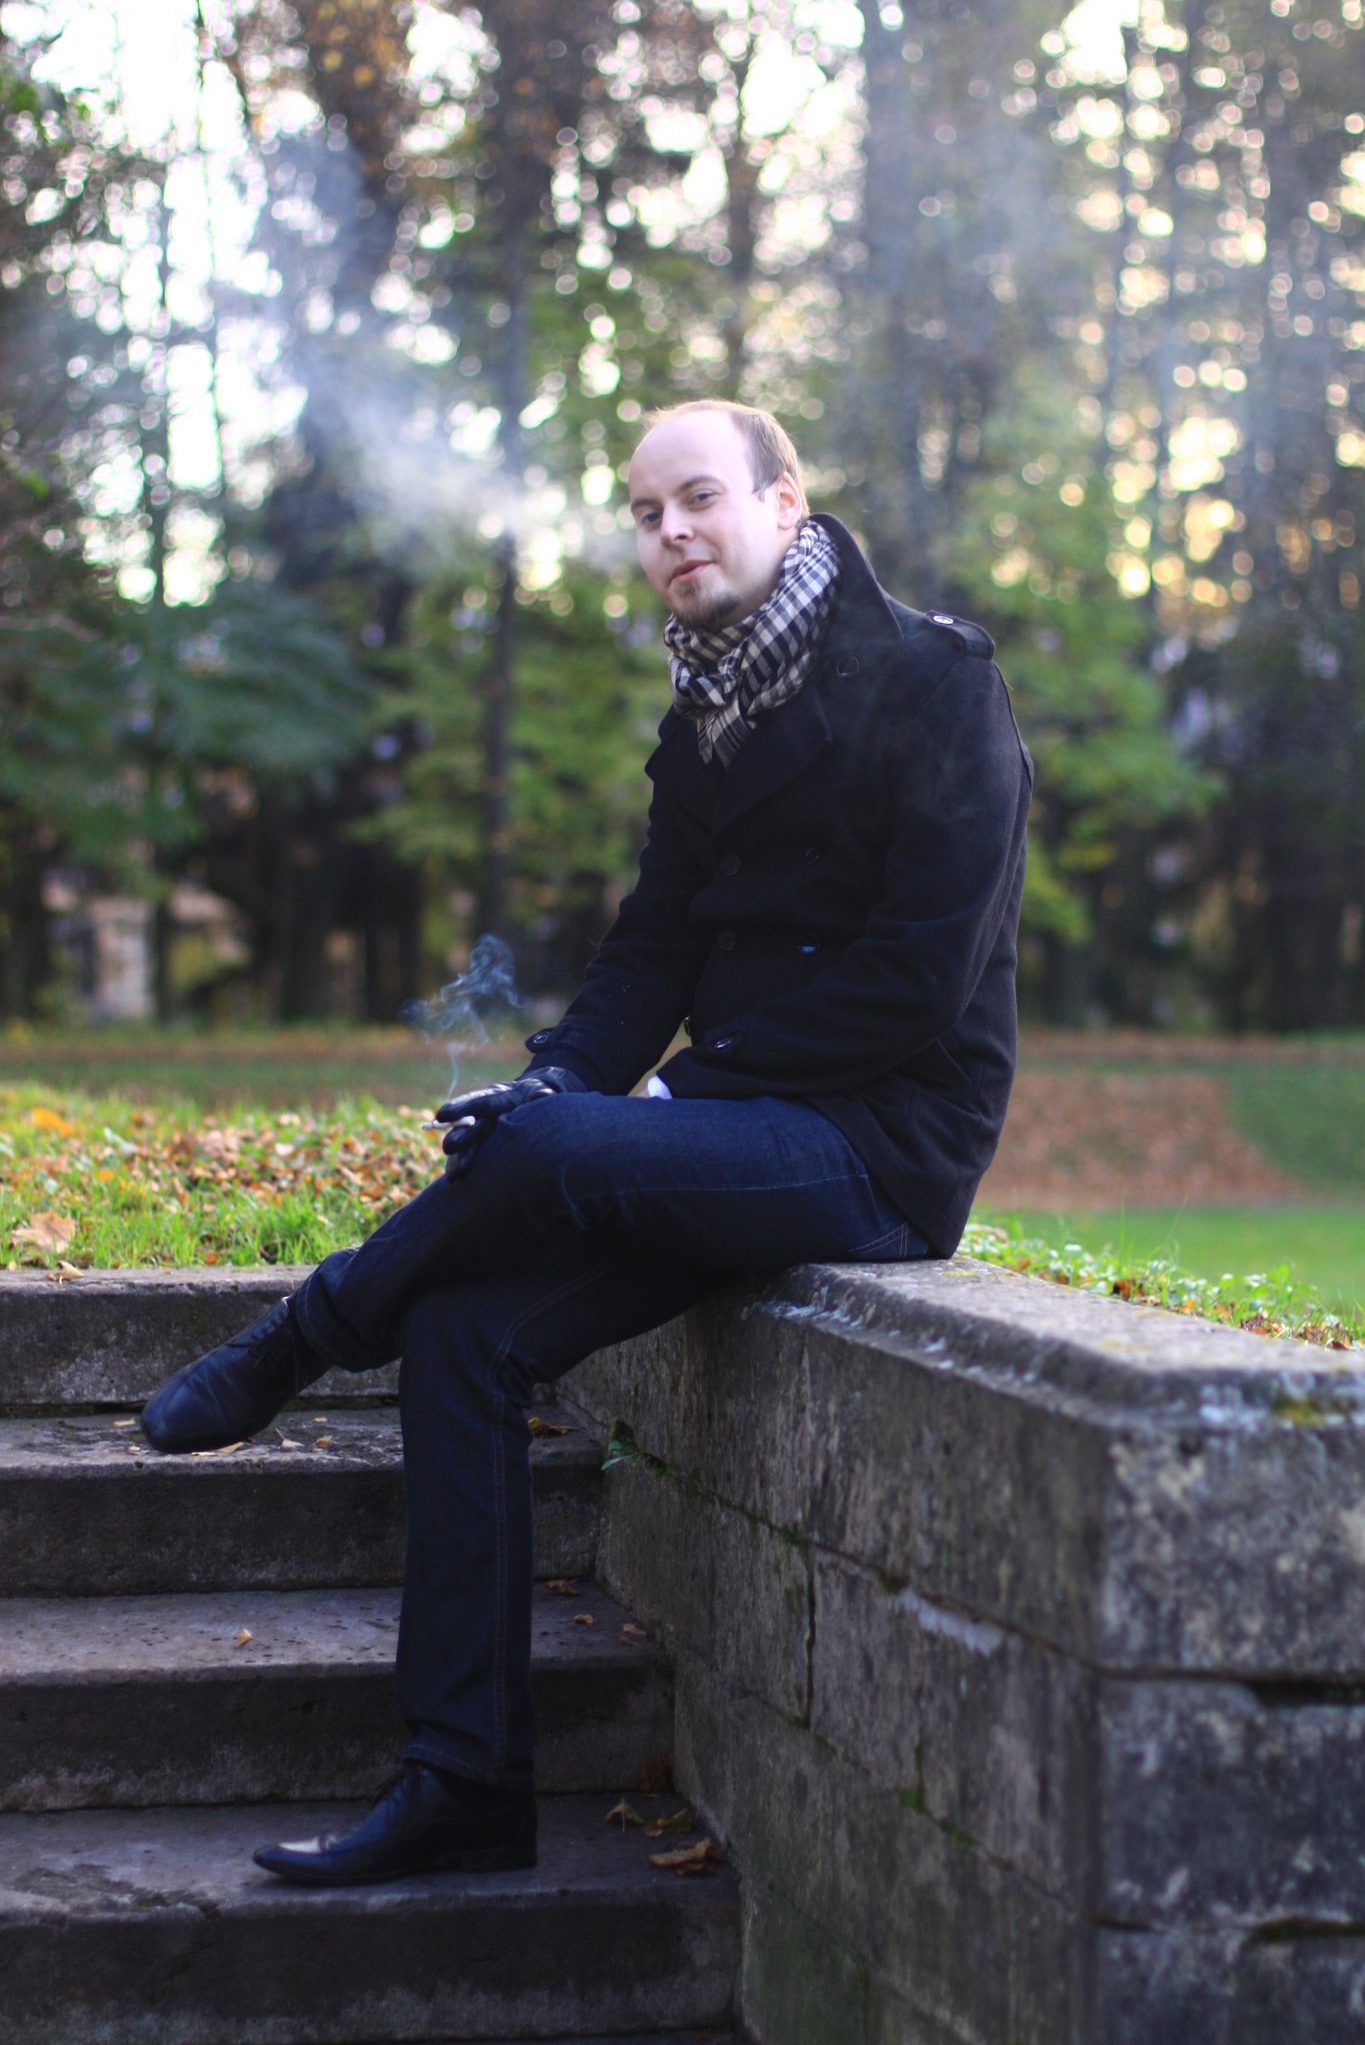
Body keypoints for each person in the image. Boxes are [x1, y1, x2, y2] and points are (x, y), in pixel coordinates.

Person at [140, 399, 1032, 1887]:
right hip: (739, 1123)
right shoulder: (708, 711)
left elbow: (916, 979)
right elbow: (655, 944)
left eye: (699, 499)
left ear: (784, 503)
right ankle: (464, 1783)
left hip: (878, 1142)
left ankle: (304, 1335)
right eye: (644, 514)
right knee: (467, 1332)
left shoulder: (936, 682)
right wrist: (558, 1074)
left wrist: (655, 1103)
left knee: (550, 1154)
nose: (670, 533)